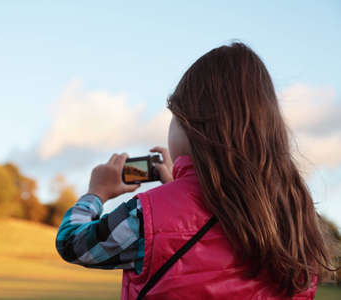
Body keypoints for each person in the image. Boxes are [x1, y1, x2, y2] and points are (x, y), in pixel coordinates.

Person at [55, 42, 336, 299]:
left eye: (174, 117)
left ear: (193, 128)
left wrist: (96, 193)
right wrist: (176, 188)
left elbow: (74, 244)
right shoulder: (297, 215)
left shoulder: (144, 216)